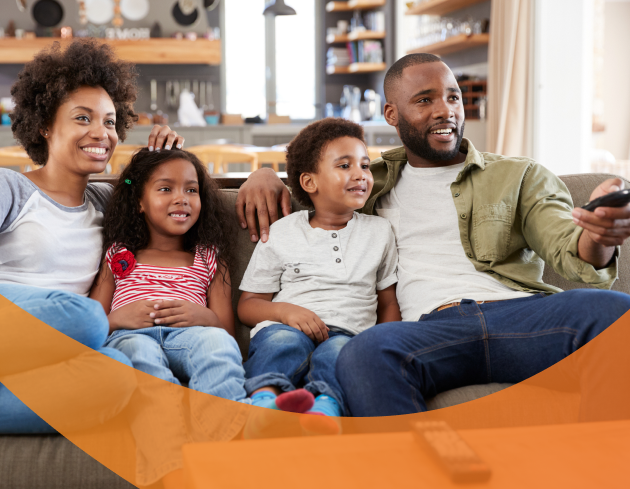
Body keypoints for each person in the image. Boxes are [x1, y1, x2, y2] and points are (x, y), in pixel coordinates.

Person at [235, 53, 630, 420]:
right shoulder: (370, 182)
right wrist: (263, 175)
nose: (446, 110)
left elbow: (568, 245)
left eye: (453, 97)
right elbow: (320, 193)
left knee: (617, 312)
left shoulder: (518, 175)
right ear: (392, 113)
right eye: (424, 100)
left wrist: (599, 233)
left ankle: (599, 463)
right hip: (432, 328)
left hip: (521, 317)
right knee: (363, 353)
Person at [0, 39, 184, 435]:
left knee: (117, 376)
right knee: (89, 318)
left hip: (27, 358)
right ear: (45, 125)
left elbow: (163, 196)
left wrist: (172, 156)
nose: (101, 132)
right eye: (82, 118)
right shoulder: (7, 186)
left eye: (110, 121)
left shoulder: (108, 200)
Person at [238, 118, 400, 426]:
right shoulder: (282, 232)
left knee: (338, 353)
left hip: (349, 333)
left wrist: (381, 341)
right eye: (344, 166)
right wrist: (285, 312)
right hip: (286, 327)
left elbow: (388, 301)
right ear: (310, 182)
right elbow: (248, 305)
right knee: (280, 345)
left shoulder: (380, 232)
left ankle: (324, 409)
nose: (360, 175)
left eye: (365, 166)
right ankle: (262, 401)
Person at [89, 148, 248, 402]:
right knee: (136, 352)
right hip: (130, 336)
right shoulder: (118, 253)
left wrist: (204, 316)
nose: (181, 198)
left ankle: (225, 428)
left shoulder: (210, 258)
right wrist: (117, 318)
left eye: (191, 190)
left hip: (191, 337)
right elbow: (90, 324)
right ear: (140, 202)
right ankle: (168, 425)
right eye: (165, 189)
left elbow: (227, 336)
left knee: (217, 346)